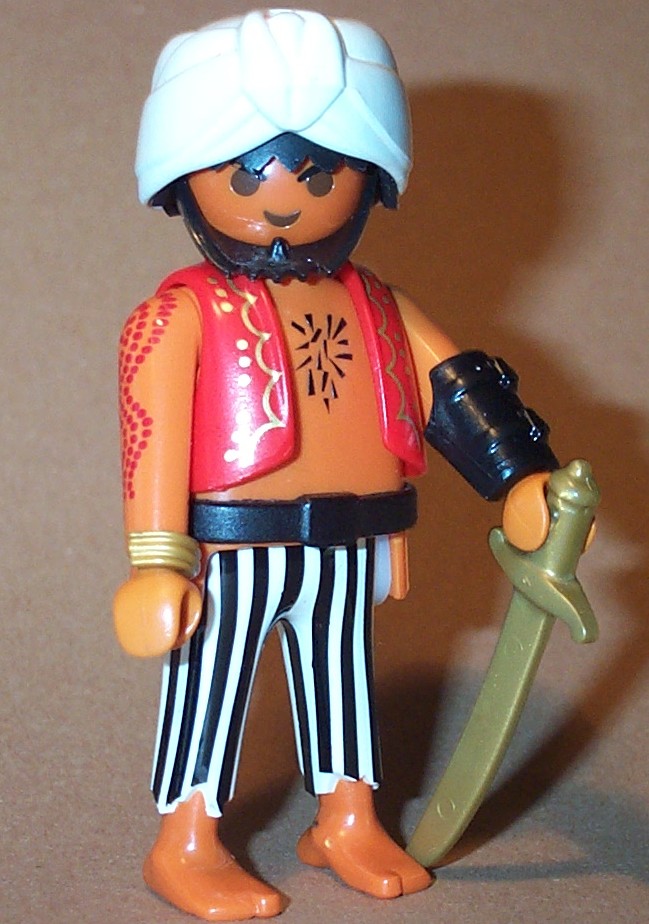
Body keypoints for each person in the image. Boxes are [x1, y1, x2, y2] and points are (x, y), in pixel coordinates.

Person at [114, 10, 558, 920]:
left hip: (352, 543)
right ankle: (185, 840)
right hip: (233, 550)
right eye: (247, 173)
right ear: (185, 174)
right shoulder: (182, 314)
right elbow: (150, 432)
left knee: (342, 682)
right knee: (210, 683)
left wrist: (519, 475)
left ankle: (346, 818)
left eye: (318, 173)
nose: (284, 197)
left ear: (366, 176)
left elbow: (454, 389)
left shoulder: (378, 304)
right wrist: (156, 559)